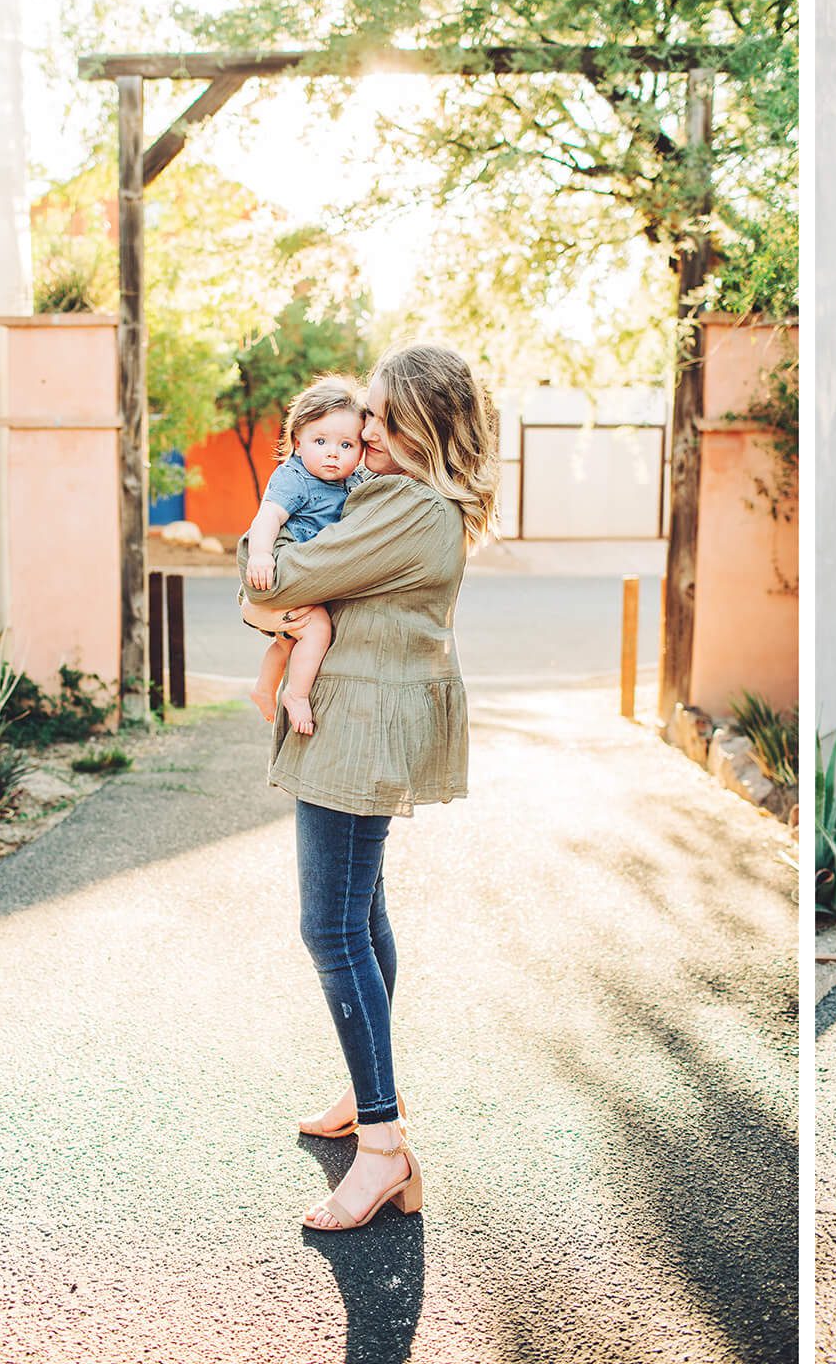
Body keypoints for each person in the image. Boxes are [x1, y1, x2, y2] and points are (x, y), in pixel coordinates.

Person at [238, 341, 501, 1232]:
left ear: (422, 426)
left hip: (360, 731)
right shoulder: (395, 498)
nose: (365, 431)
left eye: (384, 418)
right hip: (358, 720)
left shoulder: (407, 508)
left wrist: (272, 531)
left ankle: (383, 1151)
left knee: (332, 925)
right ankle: (366, 1094)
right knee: (364, 913)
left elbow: (279, 578)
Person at [241, 376, 370, 735]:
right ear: (297, 442)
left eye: (346, 444)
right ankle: (295, 695)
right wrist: (261, 556)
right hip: (276, 580)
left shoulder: (351, 483)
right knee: (317, 629)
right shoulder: (295, 478)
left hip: (303, 588)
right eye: (320, 441)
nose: (333, 452)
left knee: (288, 642)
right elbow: (268, 516)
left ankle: (263, 688)